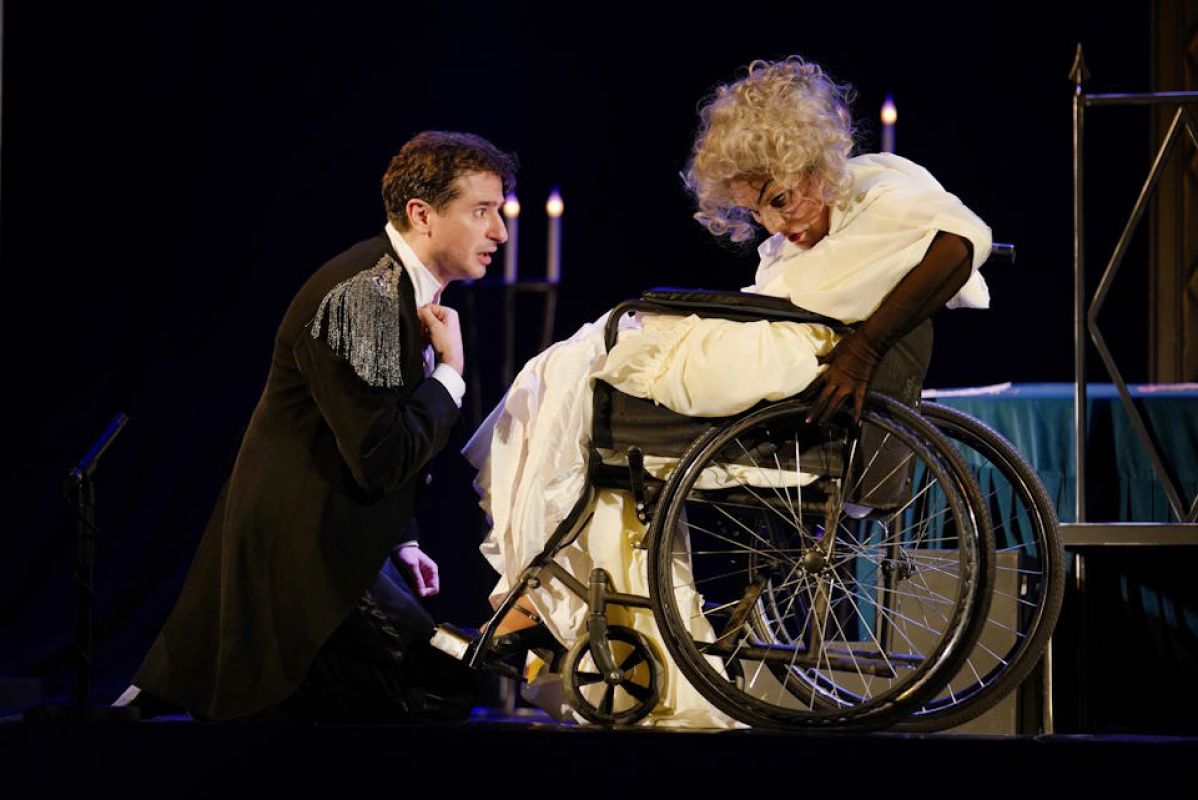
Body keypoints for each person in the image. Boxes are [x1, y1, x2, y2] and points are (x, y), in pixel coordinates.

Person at [461, 56, 992, 727]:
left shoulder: (884, 187)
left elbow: (962, 244)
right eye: (755, 210)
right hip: (770, 337)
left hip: (794, 357)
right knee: (559, 375)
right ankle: (539, 593)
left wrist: (863, 352)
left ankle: (536, 599)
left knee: (591, 360)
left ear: (812, 163)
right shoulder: (809, 222)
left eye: (779, 200)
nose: (773, 224)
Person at [119, 131, 518, 723]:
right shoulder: (364, 294)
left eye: (498, 212)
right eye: (481, 211)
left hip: (336, 544)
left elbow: (368, 425)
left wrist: (402, 538)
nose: (500, 233)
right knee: (438, 690)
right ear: (421, 215)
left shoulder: (394, 288)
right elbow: (382, 455)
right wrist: (451, 373)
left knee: (449, 680)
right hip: (301, 561)